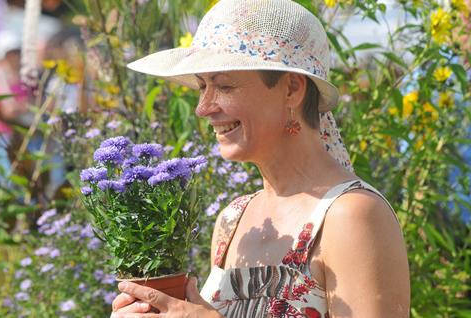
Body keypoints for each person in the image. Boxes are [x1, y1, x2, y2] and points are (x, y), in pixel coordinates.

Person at [111, 0, 410, 317]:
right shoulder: (233, 219)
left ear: (292, 89)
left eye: (224, 85)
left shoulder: (352, 216)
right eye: (202, 86)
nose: (203, 108)